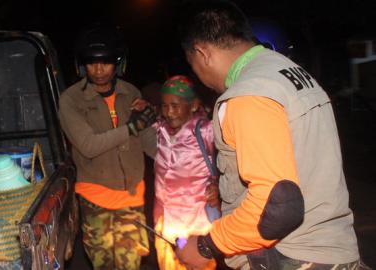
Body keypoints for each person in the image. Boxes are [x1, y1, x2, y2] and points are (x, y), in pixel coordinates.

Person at [174, 1, 360, 269]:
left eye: (193, 66)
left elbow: (277, 204)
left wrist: (206, 246)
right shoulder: (290, 73)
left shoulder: (249, 94)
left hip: (293, 257)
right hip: (332, 250)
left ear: (202, 53)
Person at [58, 24, 157, 270]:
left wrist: (154, 120)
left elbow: (150, 145)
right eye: (91, 62)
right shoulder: (71, 99)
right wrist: (131, 128)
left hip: (132, 199)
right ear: (81, 64)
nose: (99, 69)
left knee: (131, 265)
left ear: (119, 63)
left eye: (106, 62)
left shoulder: (131, 91)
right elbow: (89, 145)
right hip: (95, 201)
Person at [153, 75, 219, 270]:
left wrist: (220, 188)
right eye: (164, 106)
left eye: (175, 105)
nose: (169, 112)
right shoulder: (160, 130)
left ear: (193, 105)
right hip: (165, 226)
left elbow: (233, 163)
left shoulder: (207, 131)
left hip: (196, 228)